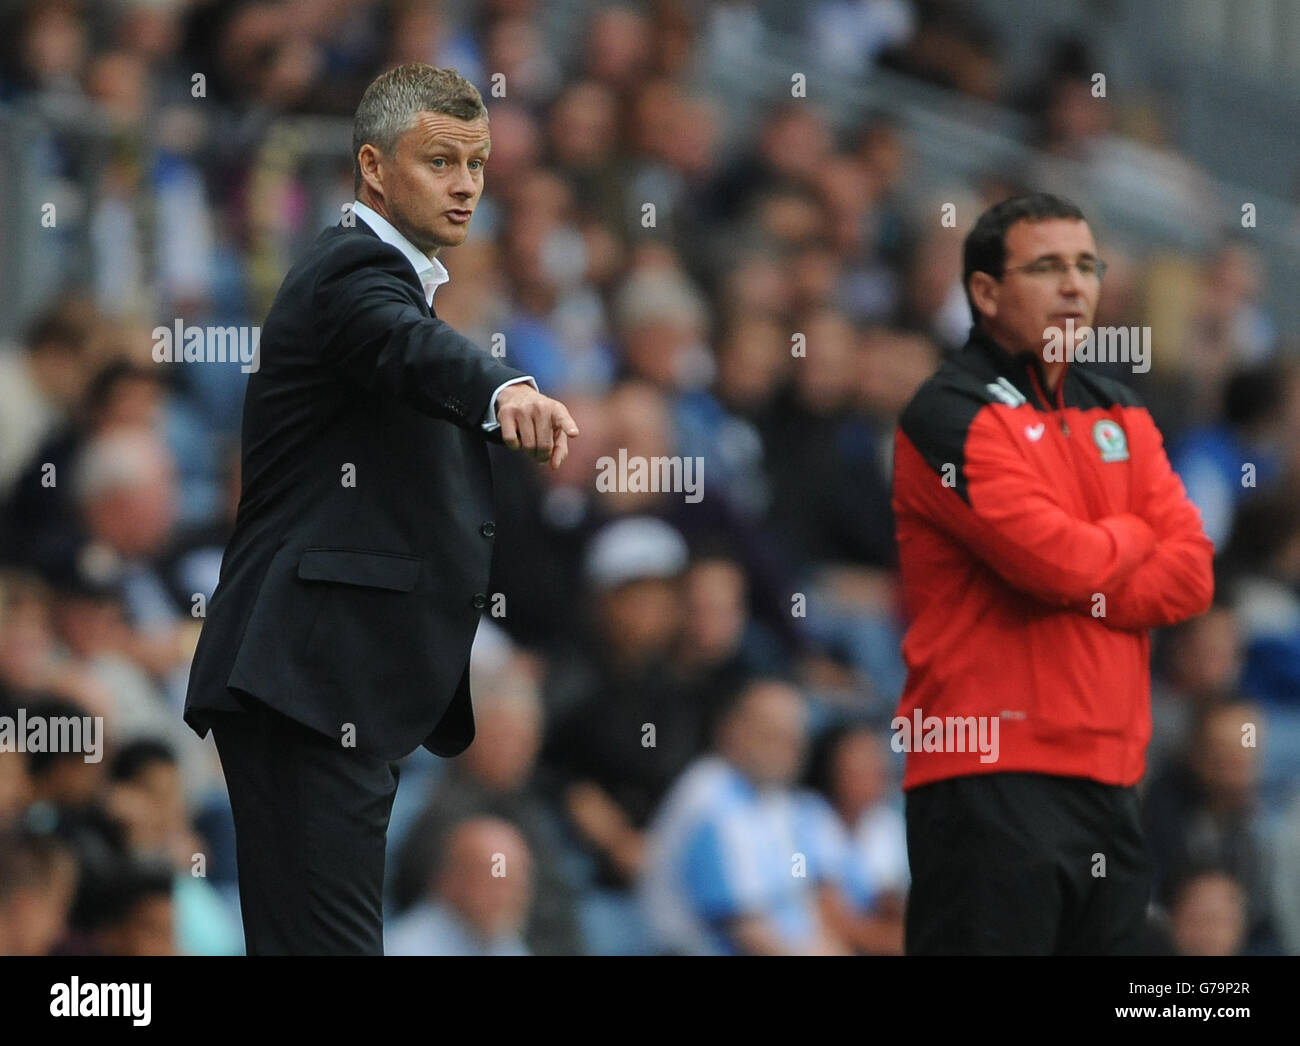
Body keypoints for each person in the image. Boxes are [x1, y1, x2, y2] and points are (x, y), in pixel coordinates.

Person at [182, 63, 579, 955]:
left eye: (476, 164)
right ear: (372, 166)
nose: (467, 184)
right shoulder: (352, 271)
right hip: (308, 679)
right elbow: (412, 348)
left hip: (322, 684)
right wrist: (505, 385)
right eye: (440, 161)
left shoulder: (380, 283)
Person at [891, 193, 1214, 954]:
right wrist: (1135, 531)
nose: (1075, 285)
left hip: (1109, 780)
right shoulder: (947, 413)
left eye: (1086, 266)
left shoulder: (1122, 410)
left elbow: (1193, 574)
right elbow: (1054, 563)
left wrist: (1096, 554)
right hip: (988, 777)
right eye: (1046, 267)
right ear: (985, 292)